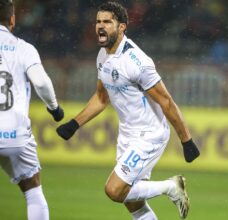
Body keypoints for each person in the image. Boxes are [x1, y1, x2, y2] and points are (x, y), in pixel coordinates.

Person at [56, 2, 200, 220]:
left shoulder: (138, 62)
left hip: (149, 134)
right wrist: (74, 124)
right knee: (133, 203)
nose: (100, 26)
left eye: (107, 22)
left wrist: (186, 141)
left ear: (122, 27)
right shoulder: (102, 57)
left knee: (114, 190)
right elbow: (102, 98)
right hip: (127, 134)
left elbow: (166, 102)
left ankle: (171, 187)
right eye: (98, 21)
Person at [0, 0, 64, 219]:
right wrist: (54, 108)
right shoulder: (23, 48)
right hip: (14, 132)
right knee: (32, 189)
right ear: (12, 20)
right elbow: (42, 82)